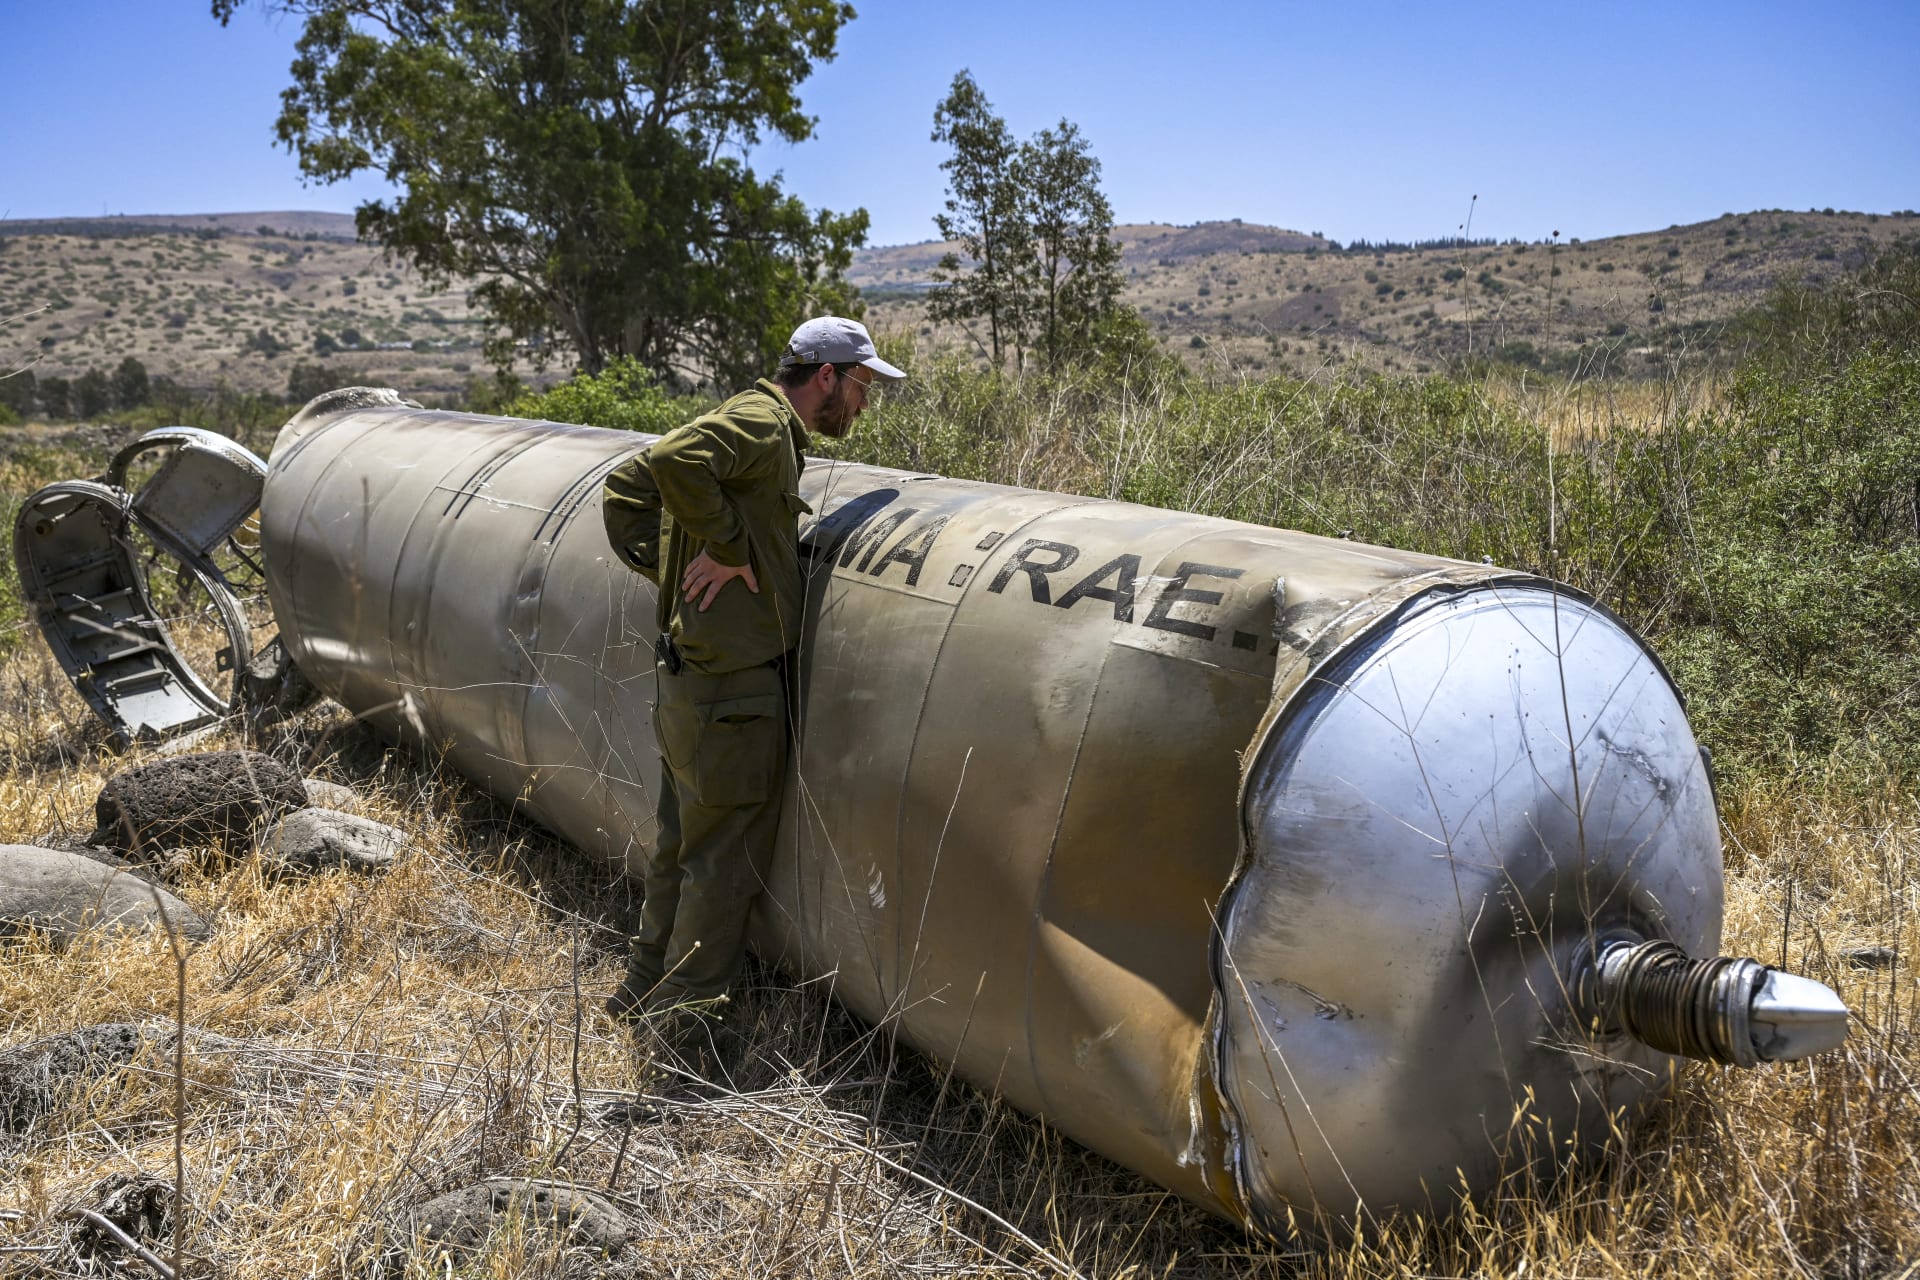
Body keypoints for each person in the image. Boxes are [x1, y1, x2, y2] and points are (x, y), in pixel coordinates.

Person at [600, 316, 904, 1041]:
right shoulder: (765, 427)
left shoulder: (756, 427)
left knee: (682, 846)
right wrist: (731, 551)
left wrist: (682, 574)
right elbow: (672, 461)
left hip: (693, 682)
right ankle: (685, 1032)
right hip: (731, 691)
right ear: (825, 375)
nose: (864, 405)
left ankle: (642, 989)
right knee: (723, 864)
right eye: (862, 386)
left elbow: (626, 489)